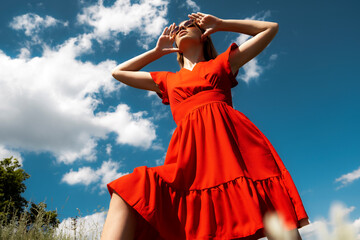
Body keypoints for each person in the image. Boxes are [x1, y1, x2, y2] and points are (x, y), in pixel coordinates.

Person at [101, 12, 310, 240]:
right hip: (191, 159)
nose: (181, 27)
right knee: (128, 189)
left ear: (203, 36)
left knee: (274, 211)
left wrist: (221, 24)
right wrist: (156, 52)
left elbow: (270, 28)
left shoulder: (222, 63)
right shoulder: (168, 80)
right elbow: (118, 72)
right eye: (178, 27)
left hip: (238, 148)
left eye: (189, 24)